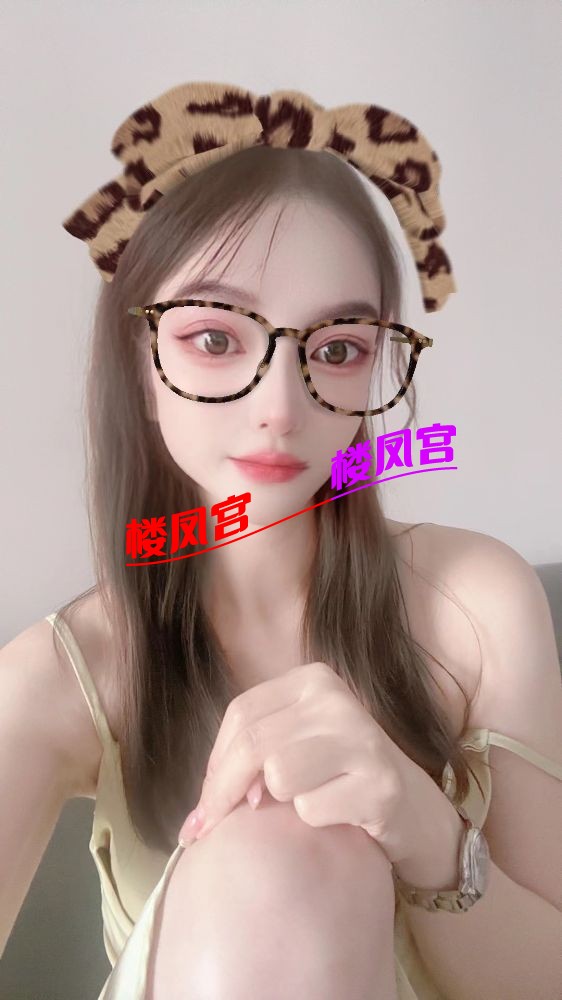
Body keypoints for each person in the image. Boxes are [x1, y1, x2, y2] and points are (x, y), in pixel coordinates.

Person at [2, 141, 561, 1000]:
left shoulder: (477, 603)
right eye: (215, 337)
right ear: (139, 362)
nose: (280, 407)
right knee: (280, 845)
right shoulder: (61, 675)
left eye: (336, 350)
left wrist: (426, 832)